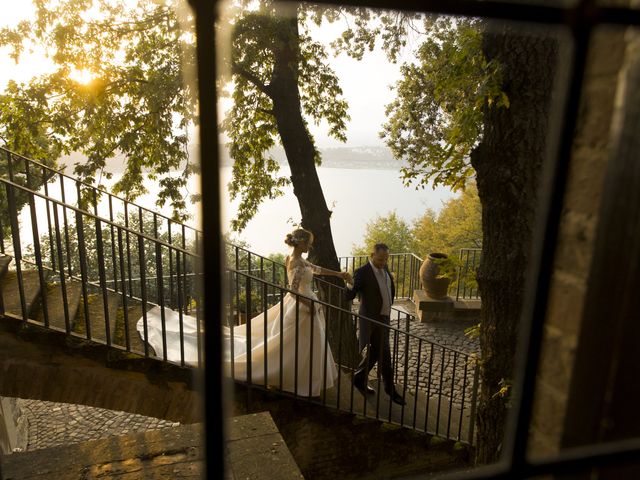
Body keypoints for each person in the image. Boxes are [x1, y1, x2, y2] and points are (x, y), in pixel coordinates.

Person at [222, 228, 347, 397]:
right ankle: (298, 379)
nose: (310, 247)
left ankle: (305, 379)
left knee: (306, 344)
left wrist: (338, 274)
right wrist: (309, 305)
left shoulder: (296, 259)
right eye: (308, 244)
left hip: (305, 302)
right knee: (304, 343)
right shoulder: (296, 262)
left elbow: (317, 269)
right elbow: (294, 291)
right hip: (303, 306)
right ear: (301, 242)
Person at [345, 243, 406, 405]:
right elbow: (350, 294)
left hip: (384, 318)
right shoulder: (362, 272)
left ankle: (359, 378)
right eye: (380, 259)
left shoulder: (385, 269)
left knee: (375, 352)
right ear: (372, 255)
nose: (383, 262)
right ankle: (390, 390)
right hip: (372, 320)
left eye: (386, 259)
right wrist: (349, 282)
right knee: (384, 353)